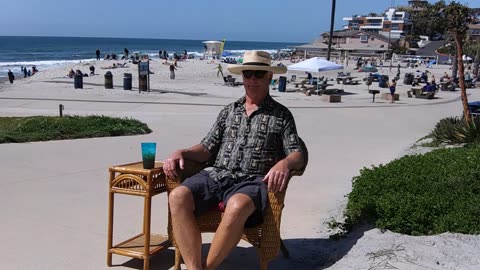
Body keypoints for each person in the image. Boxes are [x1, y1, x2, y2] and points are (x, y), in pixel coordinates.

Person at [164, 50, 306, 270]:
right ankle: (194, 268)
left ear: (269, 77)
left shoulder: (282, 115)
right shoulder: (228, 111)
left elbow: (297, 153)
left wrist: (285, 163)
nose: (252, 79)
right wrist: (181, 152)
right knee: (178, 196)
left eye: (258, 74)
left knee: (237, 205)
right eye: (248, 74)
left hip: (252, 182)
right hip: (217, 175)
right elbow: (205, 148)